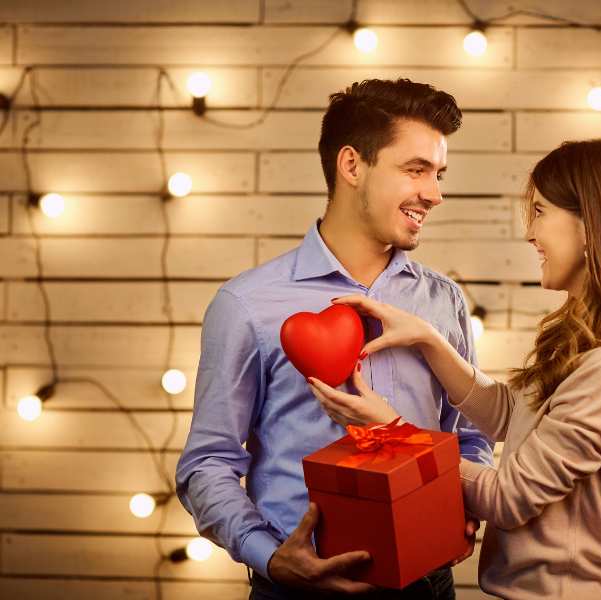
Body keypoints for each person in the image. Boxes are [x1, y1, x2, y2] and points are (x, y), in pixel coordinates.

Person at [311, 138, 601, 600]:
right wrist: (428, 339)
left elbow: (507, 497)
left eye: (540, 213)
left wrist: (388, 434)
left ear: (593, 224)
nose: (530, 234)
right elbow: (513, 417)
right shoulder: (597, 337)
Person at [174, 78, 494, 600]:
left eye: (438, 174)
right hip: (295, 592)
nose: (434, 194)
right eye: (416, 170)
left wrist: (462, 508)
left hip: (428, 587)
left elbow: (470, 437)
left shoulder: (444, 301)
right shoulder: (247, 304)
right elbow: (207, 462)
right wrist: (269, 556)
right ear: (352, 165)